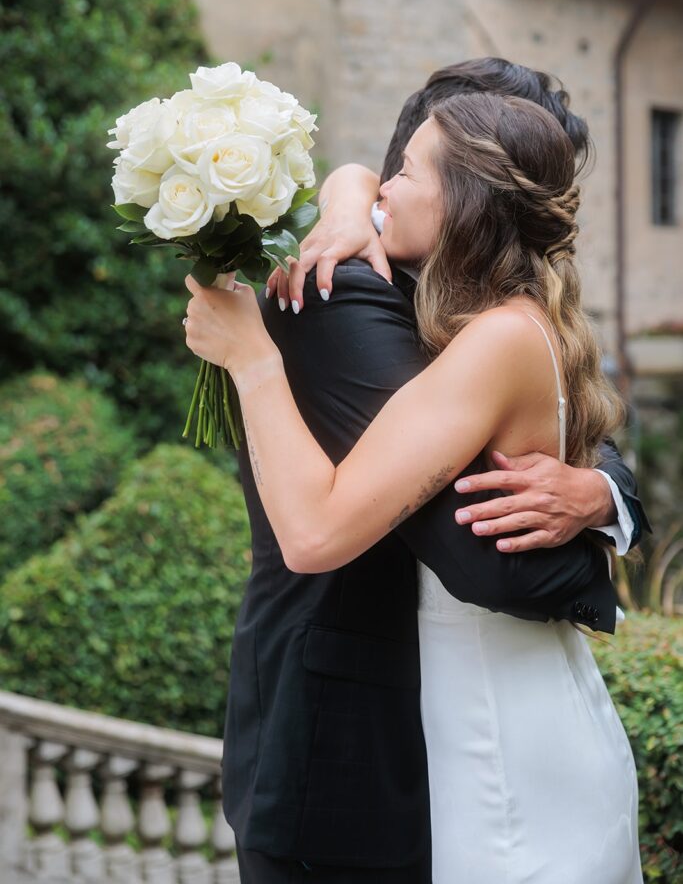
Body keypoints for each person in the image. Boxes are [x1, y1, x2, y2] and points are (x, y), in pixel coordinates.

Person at [186, 63, 646, 883]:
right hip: (414, 735)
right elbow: (361, 185)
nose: (376, 189)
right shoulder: (472, 311)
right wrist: (347, 184)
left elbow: (324, 531)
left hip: (494, 741)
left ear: (466, 204)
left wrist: (250, 358)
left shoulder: (490, 335)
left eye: (400, 173)